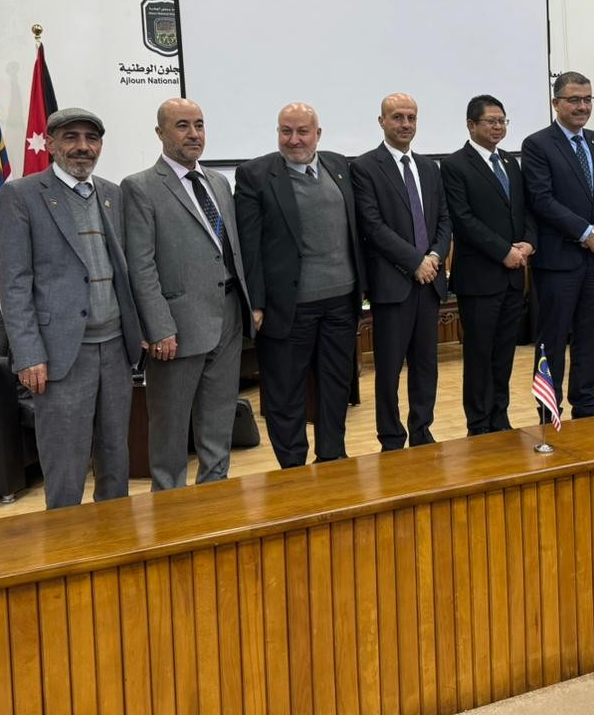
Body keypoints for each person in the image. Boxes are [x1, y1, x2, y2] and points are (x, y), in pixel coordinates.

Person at [0, 107, 143, 509]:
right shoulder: (21, 195)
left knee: (116, 455)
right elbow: (14, 282)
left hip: (116, 348)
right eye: (71, 137)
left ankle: (114, 534)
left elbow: (123, 270)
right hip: (60, 354)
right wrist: (28, 354)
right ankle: (65, 539)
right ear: (50, 143)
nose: (82, 147)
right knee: (65, 463)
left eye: (91, 139)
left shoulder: (112, 194)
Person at [121, 98, 251, 489]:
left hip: (228, 314)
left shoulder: (218, 182)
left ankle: (214, 500)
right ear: (160, 132)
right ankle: (169, 507)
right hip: (176, 329)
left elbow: (226, 250)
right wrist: (159, 327)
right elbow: (140, 266)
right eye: (182, 125)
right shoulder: (140, 187)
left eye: (199, 125)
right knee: (170, 431)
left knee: (219, 423)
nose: (193, 134)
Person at [233, 103, 365, 467]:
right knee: (284, 394)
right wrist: (255, 303)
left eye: (302, 131)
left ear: (317, 134)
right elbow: (249, 245)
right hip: (287, 308)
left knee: (335, 386)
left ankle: (332, 457)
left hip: (341, 302)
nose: (293, 140)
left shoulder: (339, 166)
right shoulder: (255, 175)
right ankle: (293, 468)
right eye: (285, 131)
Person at [351, 93, 452, 450]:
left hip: (430, 282)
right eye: (397, 117)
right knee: (389, 370)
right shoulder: (365, 167)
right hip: (393, 285)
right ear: (382, 121)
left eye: (411, 117)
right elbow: (373, 226)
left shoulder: (429, 167)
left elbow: (444, 219)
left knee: (426, 366)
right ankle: (392, 437)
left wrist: (435, 255)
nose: (405, 124)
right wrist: (415, 262)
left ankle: (422, 431)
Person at [521, 72, 594, 419]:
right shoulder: (537, 144)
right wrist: (584, 231)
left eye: (587, 99)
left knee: (590, 335)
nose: (582, 106)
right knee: (552, 339)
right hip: (559, 260)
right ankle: (549, 409)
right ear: (556, 103)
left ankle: (585, 403)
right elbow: (541, 199)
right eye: (574, 100)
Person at [440, 95, 535, 435]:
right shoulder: (454, 165)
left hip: (513, 277)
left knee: (504, 353)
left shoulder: (510, 162)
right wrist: (502, 251)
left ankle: (500, 415)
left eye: (502, 121)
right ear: (471, 125)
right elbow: (463, 220)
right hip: (480, 278)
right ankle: (479, 422)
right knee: (480, 354)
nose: (498, 127)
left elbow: (525, 210)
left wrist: (529, 242)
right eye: (491, 121)